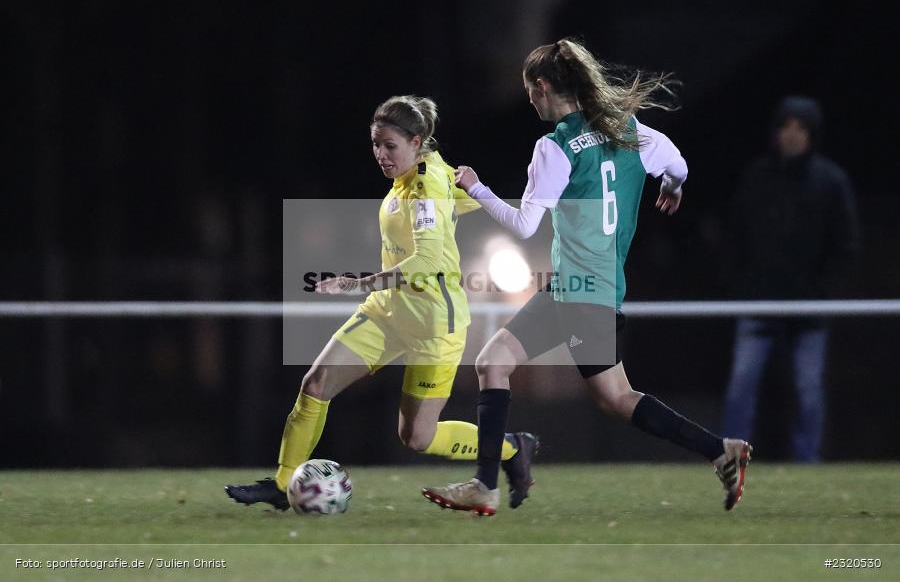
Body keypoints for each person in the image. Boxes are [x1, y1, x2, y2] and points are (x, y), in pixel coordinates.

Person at [422, 39, 751, 516]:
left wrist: (476, 187)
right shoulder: (634, 132)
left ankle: (720, 449)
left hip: (579, 292)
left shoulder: (555, 147)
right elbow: (677, 166)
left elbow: (524, 224)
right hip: (590, 288)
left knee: (614, 397)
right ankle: (485, 485)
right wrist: (672, 187)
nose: (530, 102)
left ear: (542, 87)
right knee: (498, 363)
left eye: (530, 92)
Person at [225, 95, 538, 511]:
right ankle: (284, 486)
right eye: (375, 144)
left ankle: (512, 448)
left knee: (417, 438)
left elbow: (427, 258)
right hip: (387, 313)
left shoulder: (426, 183)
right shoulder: (424, 177)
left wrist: (360, 283)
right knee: (316, 385)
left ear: (417, 141)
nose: (381, 154)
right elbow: (459, 203)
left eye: (390, 145)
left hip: (433, 325)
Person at [721, 96, 859, 462]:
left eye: (801, 128)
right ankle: (731, 460)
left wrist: (823, 292)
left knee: (809, 390)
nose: (792, 135)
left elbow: (845, 246)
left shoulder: (831, 182)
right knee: (741, 387)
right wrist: (741, 286)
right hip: (758, 301)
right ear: (776, 131)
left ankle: (807, 462)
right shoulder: (756, 177)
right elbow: (735, 235)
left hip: (809, 307)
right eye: (786, 126)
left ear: (813, 135)